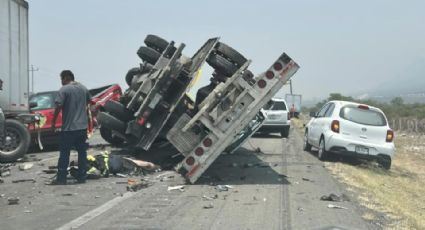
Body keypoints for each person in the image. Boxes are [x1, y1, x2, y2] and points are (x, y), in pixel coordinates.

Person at [47, 70, 91, 185]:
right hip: (82, 128)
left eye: (61, 79)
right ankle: (82, 177)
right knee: (82, 153)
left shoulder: (64, 89)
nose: (61, 82)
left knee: (64, 153)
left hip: (69, 129)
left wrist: (53, 122)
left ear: (66, 78)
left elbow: (58, 106)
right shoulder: (83, 88)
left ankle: (61, 178)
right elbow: (89, 102)